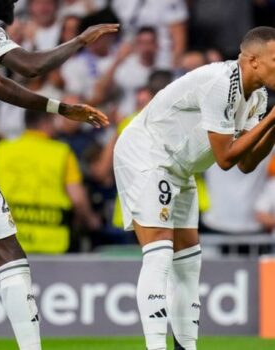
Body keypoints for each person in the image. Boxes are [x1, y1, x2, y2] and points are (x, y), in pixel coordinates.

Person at [0, 2, 118, 350]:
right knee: (10, 256)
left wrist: (58, 108)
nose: (13, 1)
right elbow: (32, 66)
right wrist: (81, 40)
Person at [113, 26, 275, 350]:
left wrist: (272, 123)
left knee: (189, 263)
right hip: (147, 155)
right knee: (159, 254)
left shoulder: (256, 97)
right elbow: (226, 158)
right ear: (253, 60)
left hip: (182, 169)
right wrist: (272, 119)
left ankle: (187, 347)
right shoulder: (221, 83)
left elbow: (246, 163)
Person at [0, 109, 100, 254]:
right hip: (53, 244)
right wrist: (92, 221)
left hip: (10, 243)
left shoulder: (1, 150)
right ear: (46, 122)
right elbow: (78, 200)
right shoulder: (62, 152)